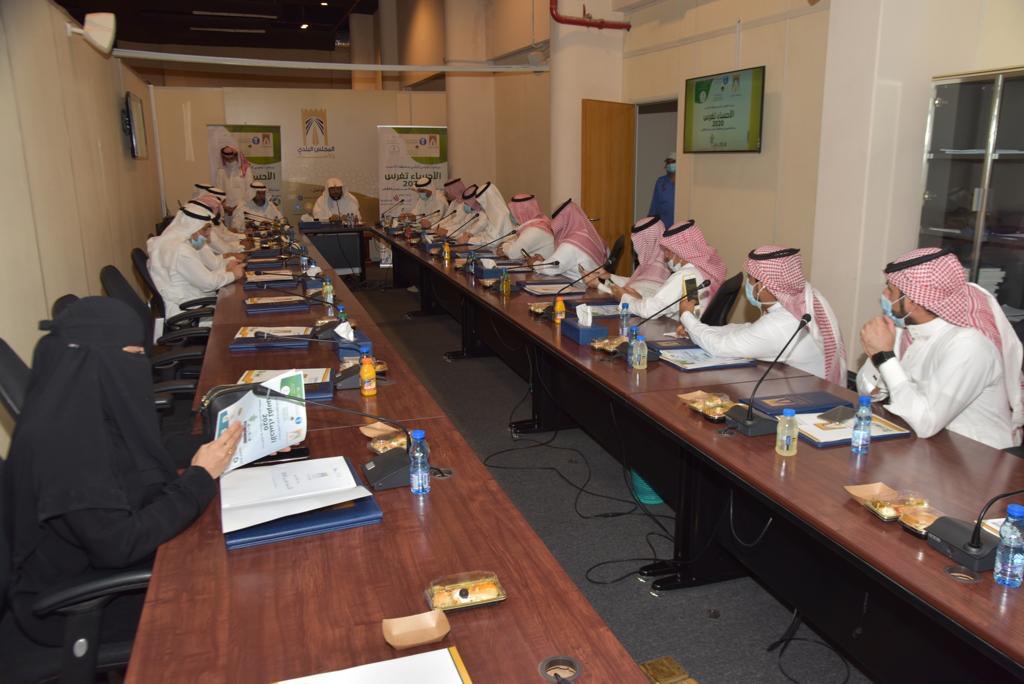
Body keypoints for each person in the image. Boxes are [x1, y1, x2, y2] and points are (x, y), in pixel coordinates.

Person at [0, 297, 243, 680]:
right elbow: (120, 544)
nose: (139, 366)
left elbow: (146, 450)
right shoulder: (64, 451)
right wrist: (199, 478)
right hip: (78, 605)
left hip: (104, 562)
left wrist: (218, 444)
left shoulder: (81, 409)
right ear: (94, 360)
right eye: (132, 356)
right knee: (235, 597)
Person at [856, 247, 1024, 449]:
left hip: (980, 456)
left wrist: (884, 356)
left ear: (914, 301)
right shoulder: (906, 331)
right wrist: (879, 356)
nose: (884, 295)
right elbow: (868, 392)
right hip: (931, 446)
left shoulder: (968, 345)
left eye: (891, 290)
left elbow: (925, 423)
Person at [678, 245, 846, 384]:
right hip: (795, 383)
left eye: (750, 279)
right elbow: (750, 330)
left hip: (804, 403)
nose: (748, 285)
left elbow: (720, 347)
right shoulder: (801, 303)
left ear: (764, 285)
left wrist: (687, 315)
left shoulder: (780, 323)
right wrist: (699, 329)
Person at [146, 203, 244, 318]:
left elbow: (200, 277)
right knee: (239, 310)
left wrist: (226, 268)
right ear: (192, 228)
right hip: (187, 309)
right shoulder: (181, 250)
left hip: (187, 299)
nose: (207, 236)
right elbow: (208, 284)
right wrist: (233, 275)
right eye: (204, 230)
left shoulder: (168, 241)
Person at [532, 199, 608, 278]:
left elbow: (551, 269)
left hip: (581, 284)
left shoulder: (572, 243)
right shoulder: (592, 236)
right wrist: (544, 262)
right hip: (595, 282)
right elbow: (560, 263)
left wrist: (534, 263)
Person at [499, 193, 555, 260]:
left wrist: (503, 247)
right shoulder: (537, 225)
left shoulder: (534, 230)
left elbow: (512, 254)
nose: (510, 215)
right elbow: (516, 243)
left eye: (512, 212)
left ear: (521, 213)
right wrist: (507, 246)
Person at [464, 182, 514, 246]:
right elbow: (486, 234)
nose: (480, 204)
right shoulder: (491, 214)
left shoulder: (500, 215)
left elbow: (493, 241)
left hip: (499, 249)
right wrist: (470, 238)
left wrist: (469, 240)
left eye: (481, 202)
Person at [648, 153, 676, 229]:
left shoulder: (684, 182)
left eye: (673, 162)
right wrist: (650, 223)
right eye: (668, 162)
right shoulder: (661, 182)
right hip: (663, 226)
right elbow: (654, 205)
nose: (670, 165)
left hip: (679, 225)